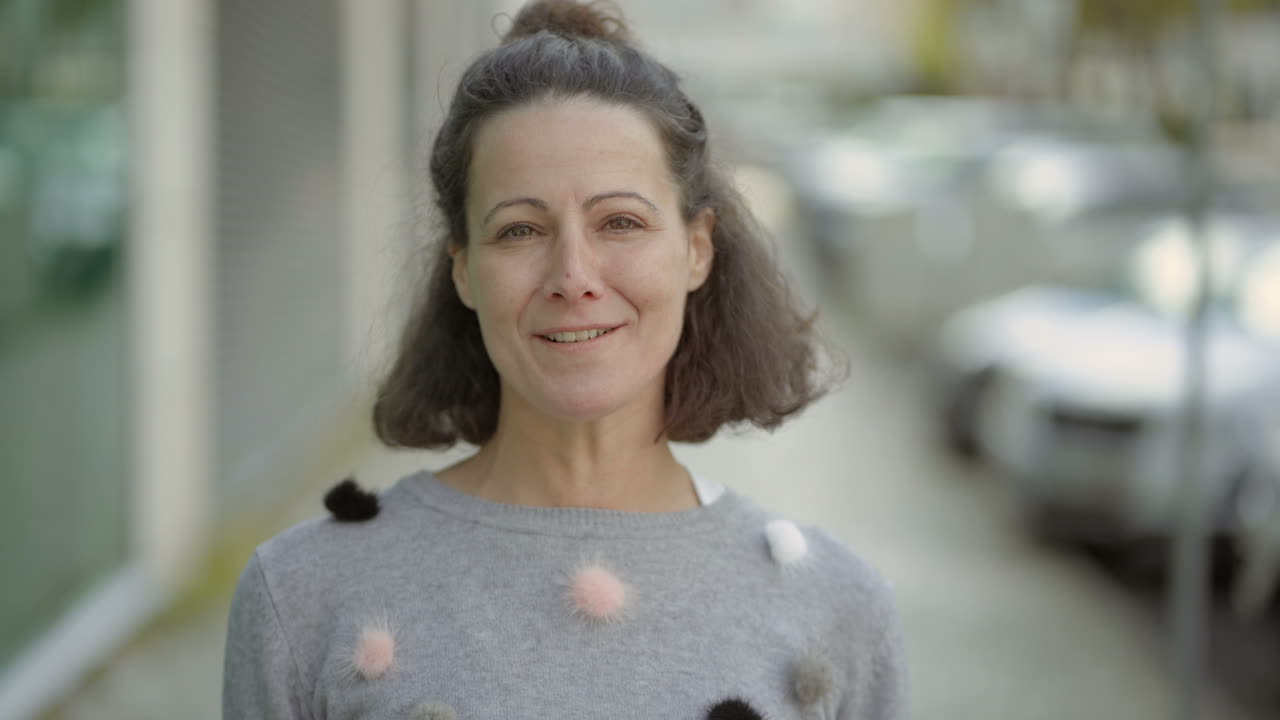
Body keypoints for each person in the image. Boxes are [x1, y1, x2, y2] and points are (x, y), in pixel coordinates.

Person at [222, 2, 906, 718]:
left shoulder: (838, 606)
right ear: (463, 270)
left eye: (620, 222)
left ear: (697, 248)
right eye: (520, 229)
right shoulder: (301, 593)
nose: (573, 275)